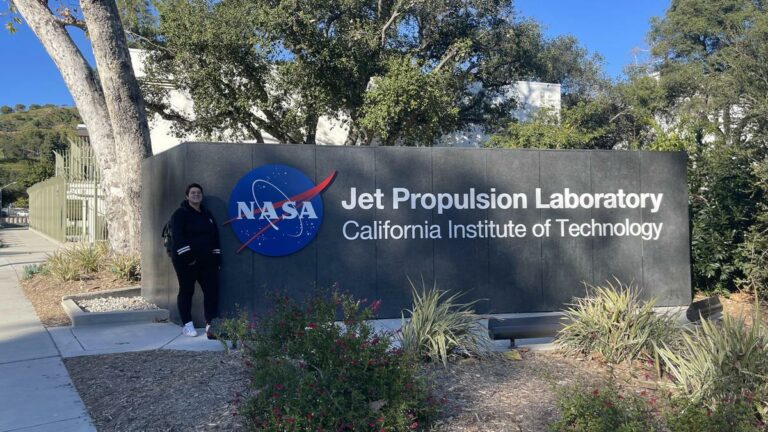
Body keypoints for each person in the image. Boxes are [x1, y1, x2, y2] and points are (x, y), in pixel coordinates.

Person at [170, 183, 221, 339]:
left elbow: (215, 237)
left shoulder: (207, 214)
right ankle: (187, 325)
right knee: (187, 291)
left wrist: (217, 258)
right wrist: (189, 258)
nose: (196, 195)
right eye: (193, 193)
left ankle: (210, 324)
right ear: (187, 196)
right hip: (186, 262)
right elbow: (178, 237)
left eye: (199, 192)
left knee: (211, 291)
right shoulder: (180, 214)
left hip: (207, 261)